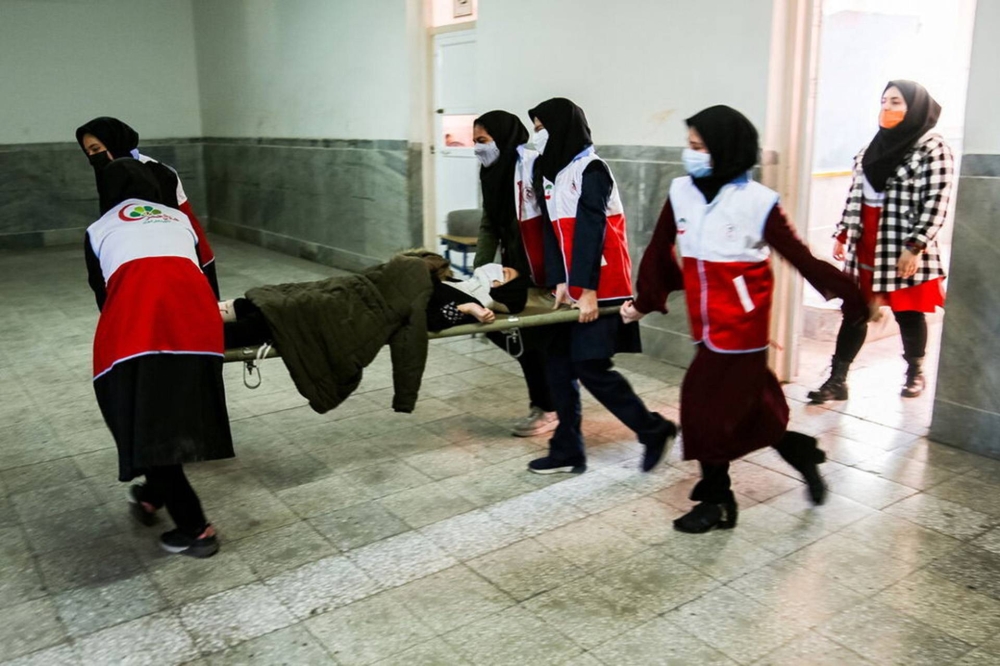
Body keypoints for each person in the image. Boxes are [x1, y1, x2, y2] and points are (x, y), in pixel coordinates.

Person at [622, 105, 869, 533]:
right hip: (705, 325)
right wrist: (645, 301)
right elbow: (660, 249)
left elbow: (800, 257)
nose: (691, 154)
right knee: (753, 411)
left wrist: (855, 297)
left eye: (700, 147)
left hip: (742, 329)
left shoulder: (758, 202)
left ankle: (717, 500)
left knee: (701, 407)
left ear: (725, 149)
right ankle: (800, 452)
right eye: (690, 145)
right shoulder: (681, 191)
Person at [85, 158, 232, 557]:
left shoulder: (99, 229)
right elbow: (203, 267)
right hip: (200, 332)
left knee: (143, 426)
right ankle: (152, 495)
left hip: (140, 334)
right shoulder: (178, 219)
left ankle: (197, 530)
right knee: (170, 414)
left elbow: (104, 295)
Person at [526, 97, 677, 476]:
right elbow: (553, 233)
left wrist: (587, 289)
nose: (537, 135)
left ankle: (653, 429)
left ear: (562, 128)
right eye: (535, 128)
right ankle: (567, 450)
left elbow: (591, 231)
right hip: (574, 286)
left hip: (603, 285)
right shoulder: (551, 172)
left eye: (541, 128)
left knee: (591, 367)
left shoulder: (592, 170)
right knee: (557, 365)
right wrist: (561, 281)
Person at [808, 81, 953, 403]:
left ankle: (915, 372)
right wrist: (843, 233)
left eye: (896, 102)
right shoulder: (871, 148)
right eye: (884, 101)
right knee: (855, 310)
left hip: (902, 244)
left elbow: (936, 202)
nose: (887, 108)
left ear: (914, 108)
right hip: (866, 241)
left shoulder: (932, 147)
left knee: (908, 311)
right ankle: (837, 380)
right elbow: (856, 195)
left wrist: (915, 246)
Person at [472, 110, 558, 436]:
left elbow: (550, 219)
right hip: (514, 268)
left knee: (530, 339)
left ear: (502, 137)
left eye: (483, 140)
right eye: (475, 141)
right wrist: (480, 272)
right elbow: (489, 224)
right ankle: (548, 404)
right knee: (513, 335)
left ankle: (549, 407)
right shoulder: (490, 173)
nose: (478, 148)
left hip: (540, 269)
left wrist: (552, 271)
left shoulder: (531, 167)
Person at [76, 116, 220, 298]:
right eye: (88, 152)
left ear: (115, 142)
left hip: (179, 252)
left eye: (96, 149)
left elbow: (164, 224)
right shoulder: (109, 172)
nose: (92, 156)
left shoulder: (156, 172)